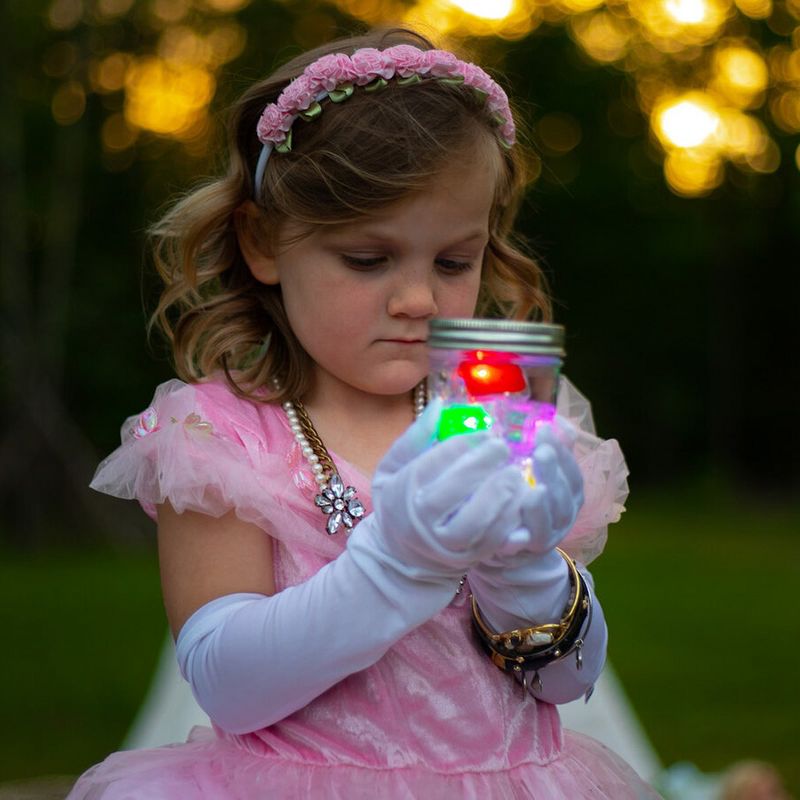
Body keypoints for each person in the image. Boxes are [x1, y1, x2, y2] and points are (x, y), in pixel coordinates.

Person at [68, 27, 660, 798]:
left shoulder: (488, 413)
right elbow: (226, 683)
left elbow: (569, 682)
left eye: (454, 261)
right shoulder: (222, 438)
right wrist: (397, 565)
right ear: (264, 243)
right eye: (367, 258)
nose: (418, 299)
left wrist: (528, 569)